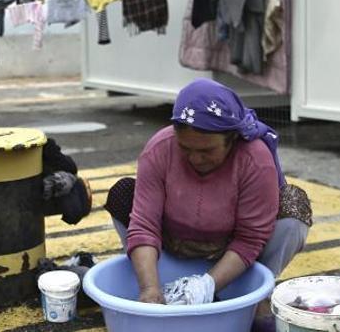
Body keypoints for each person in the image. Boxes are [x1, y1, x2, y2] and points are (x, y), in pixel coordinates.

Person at [105, 78, 311, 308]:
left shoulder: (255, 160)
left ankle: (253, 293)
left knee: (294, 206)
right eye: (185, 148)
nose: (195, 158)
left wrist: (206, 287)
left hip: (232, 252)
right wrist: (150, 290)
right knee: (122, 193)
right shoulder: (160, 149)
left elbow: (250, 239)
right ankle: (151, 274)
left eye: (207, 151)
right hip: (172, 244)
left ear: (231, 138)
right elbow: (144, 226)